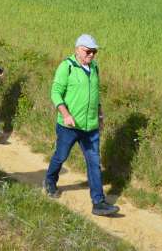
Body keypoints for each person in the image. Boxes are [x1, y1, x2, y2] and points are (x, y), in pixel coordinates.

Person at [44, 34, 120, 217]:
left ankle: (98, 203)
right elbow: (55, 93)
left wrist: (100, 115)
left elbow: (95, 94)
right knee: (61, 156)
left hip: (90, 128)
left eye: (94, 51)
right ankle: (50, 181)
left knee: (94, 163)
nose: (92, 55)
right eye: (88, 51)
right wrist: (66, 114)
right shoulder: (67, 67)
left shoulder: (94, 68)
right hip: (68, 126)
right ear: (78, 49)